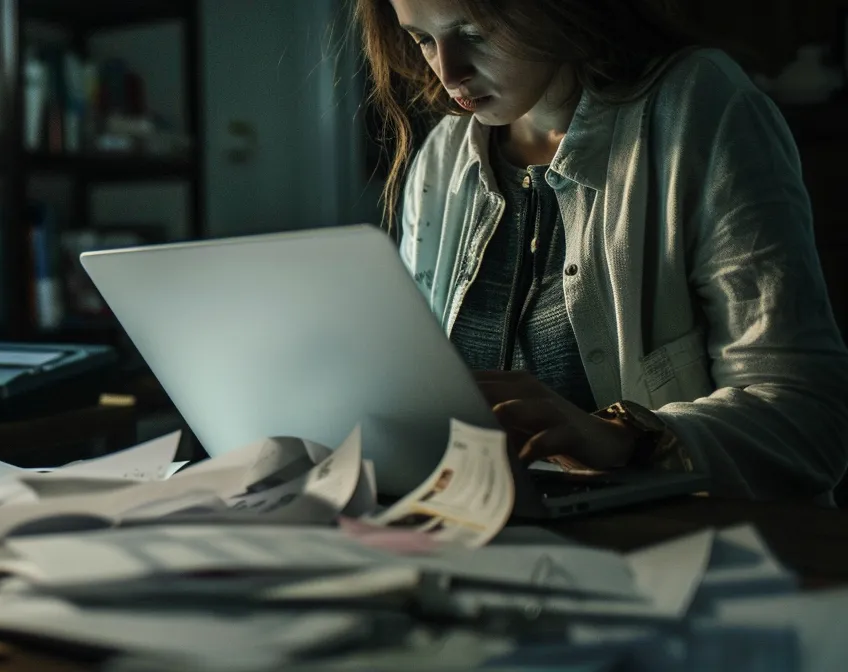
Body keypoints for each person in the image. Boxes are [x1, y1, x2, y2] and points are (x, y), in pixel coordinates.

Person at [356, 0, 848, 504]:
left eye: (474, 33)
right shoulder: (445, 155)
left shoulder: (697, 106)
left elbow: (808, 422)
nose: (447, 72)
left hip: (690, 551)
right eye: (422, 39)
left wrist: (623, 437)